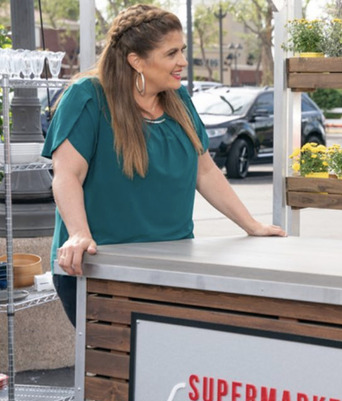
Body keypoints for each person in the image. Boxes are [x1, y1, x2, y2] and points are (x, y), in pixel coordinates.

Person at [41, 4, 286, 326]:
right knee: (114, 372)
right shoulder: (87, 97)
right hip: (101, 266)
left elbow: (206, 170)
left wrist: (251, 225)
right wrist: (78, 235)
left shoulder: (178, 99)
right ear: (136, 60)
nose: (183, 61)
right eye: (172, 53)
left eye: (182, 51)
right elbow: (67, 175)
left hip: (174, 264)